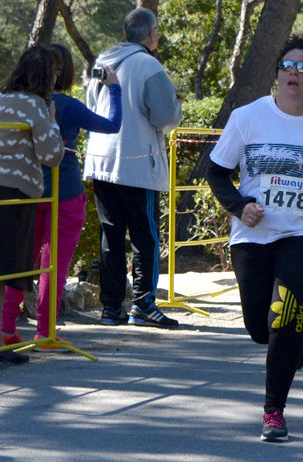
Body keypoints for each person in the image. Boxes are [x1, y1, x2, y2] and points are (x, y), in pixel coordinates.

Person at [205, 35, 303, 442]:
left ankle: (273, 412)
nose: (294, 73)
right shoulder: (247, 117)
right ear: (276, 75)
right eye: (287, 66)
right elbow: (217, 172)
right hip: (253, 232)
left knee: (283, 315)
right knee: (260, 328)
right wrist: (240, 206)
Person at [1, 44, 122, 350]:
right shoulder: (68, 106)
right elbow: (112, 125)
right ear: (63, 73)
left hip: (27, 191)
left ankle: (4, 327)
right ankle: (45, 332)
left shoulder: (22, 103)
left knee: (21, 263)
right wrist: (114, 89)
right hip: (65, 194)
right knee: (56, 265)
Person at [84, 7, 182, 328]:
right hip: (137, 162)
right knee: (146, 237)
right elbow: (166, 117)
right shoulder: (147, 64)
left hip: (101, 161)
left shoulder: (102, 61)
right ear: (151, 34)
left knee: (111, 236)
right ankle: (143, 304)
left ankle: (111, 308)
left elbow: (90, 108)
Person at [0, 45, 65, 363]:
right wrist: (53, 122)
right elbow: (52, 154)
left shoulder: (1, 99)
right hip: (12, 192)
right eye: (54, 74)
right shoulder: (33, 105)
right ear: (45, 75)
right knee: (2, 270)